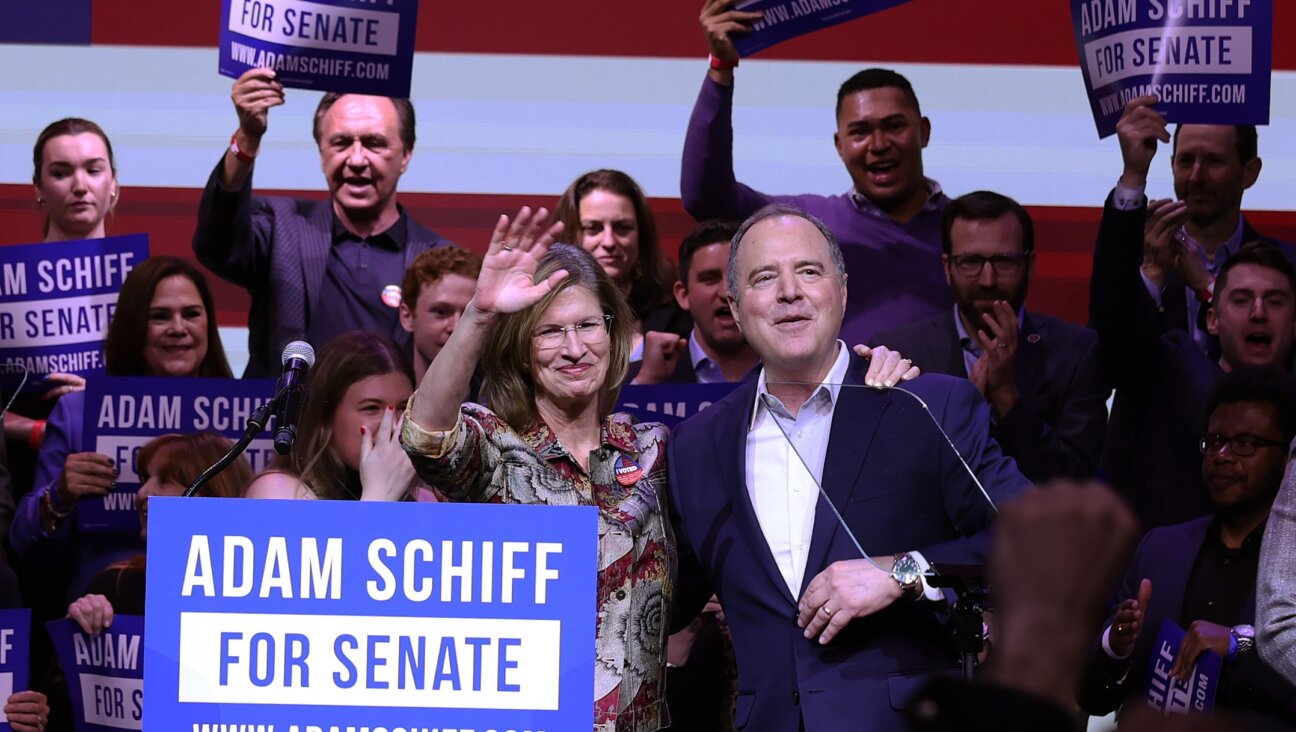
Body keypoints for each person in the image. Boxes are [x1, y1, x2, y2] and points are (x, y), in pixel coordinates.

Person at [667, 204, 1028, 731]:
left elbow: (1034, 540)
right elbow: (661, 599)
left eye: (809, 272)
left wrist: (903, 569)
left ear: (841, 291)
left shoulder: (923, 406)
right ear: (736, 308)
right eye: (765, 278)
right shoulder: (697, 444)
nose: (789, 291)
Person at [682, 0, 952, 345]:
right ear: (839, 145)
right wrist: (721, 67)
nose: (879, 144)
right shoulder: (809, 225)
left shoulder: (966, 229)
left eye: (894, 126)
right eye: (860, 132)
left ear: (924, 132)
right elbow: (705, 198)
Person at [193, 69, 452, 378]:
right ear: (321, 153)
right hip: (290, 424)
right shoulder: (281, 228)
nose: (356, 160)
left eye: (374, 143)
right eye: (341, 143)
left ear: (406, 155)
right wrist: (247, 138)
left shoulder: (440, 262)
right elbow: (216, 244)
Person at [1079, 367, 1296, 728]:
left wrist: (1239, 646)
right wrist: (1116, 647)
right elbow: (1091, 698)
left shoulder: (1290, 565)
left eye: (1244, 443)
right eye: (1213, 441)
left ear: (1288, 460)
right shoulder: (1160, 549)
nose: (1222, 455)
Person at [10, 256, 234, 598]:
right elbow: (25, 545)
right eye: (159, 316)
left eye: (191, 313)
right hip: (105, 613)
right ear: (133, 326)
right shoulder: (79, 412)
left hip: (214, 601)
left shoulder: (247, 418)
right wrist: (60, 495)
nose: (178, 327)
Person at [872, 191, 1107, 482]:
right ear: (947, 268)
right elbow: (888, 476)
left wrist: (1007, 398)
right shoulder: (901, 352)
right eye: (970, 262)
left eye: (1004, 262)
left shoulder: (1077, 353)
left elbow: (1076, 479)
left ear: (1030, 266)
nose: (988, 280)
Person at [1095, 240, 1296, 530]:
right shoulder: (1173, 370)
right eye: (1241, 300)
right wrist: (1151, 268)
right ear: (1211, 321)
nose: (1258, 313)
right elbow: (1121, 337)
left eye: (1275, 301)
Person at [6, 119, 121, 485]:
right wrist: (40, 431)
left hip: (121, 477)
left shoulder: (149, 286)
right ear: (38, 187)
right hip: (20, 475)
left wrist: (107, 399)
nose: (80, 185)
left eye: (93, 169)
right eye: (61, 172)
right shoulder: (8, 286)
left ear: (114, 184)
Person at [65, 431, 253, 626]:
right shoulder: (118, 586)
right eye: (145, 479)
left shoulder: (260, 593)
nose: (141, 493)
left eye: (163, 481)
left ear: (212, 497)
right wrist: (80, 626)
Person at [245, 330, 420, 502]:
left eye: (404, 408)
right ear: (324, 417)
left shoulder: (423, 498)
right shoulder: (277, 491)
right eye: (372, 408)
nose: (394, 426)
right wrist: (380, 495)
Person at [555, 169, 690, 355]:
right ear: (571, 235)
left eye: (623, 228)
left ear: (641, 236)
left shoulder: (677, 318)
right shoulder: (545, 315)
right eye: (593, 228)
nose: (609, 242)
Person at [633, 219, 757, 385]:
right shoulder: (640, 380)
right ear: (683, 296)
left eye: (738, 276)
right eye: (710, 278)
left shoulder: (796, 372)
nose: (727, 292)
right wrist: (646, 385)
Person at [399, 246, 481, 377]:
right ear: (407, 317)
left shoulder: (503, 395)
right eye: (441, 312)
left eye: (469, 314)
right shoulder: (382, 392)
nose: (456, 328)